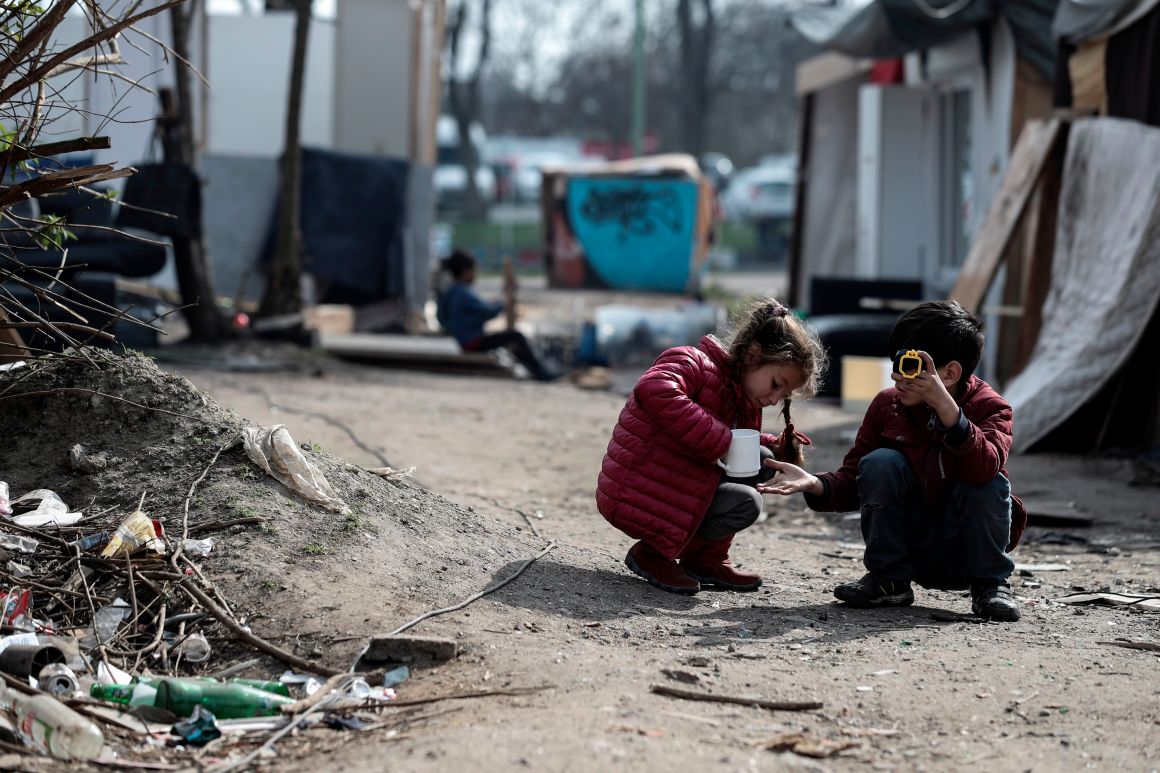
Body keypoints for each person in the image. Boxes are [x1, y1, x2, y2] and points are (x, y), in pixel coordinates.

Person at [762, 300, 1026, 622]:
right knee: (880, 462)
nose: (897, 377)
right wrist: (815, 483)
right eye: (896, 365)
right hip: (912, 549)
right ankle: (889, 581)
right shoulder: (888, 406)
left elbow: (984, 466)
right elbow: (855, 477)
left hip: (965, 551)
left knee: (992, 479)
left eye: (910, 367)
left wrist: (949, 413)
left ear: (950, 372)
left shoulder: (991, 408)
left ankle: (991, 585)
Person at [596, 299, 826, 595]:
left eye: (784, 394)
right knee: (752, 459)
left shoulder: (745, 400)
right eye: (775, 384)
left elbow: (727, 437)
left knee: (759, 470)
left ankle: (705, 560)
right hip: (635, 490)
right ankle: (652, 553)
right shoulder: (692, 362)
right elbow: (652, 389)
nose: (774, 399)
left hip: (675, 487)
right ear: (753, 355)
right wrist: (725, 442)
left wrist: (776, 445)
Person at [435, 249, 559, 382]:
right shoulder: (464, 293)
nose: (476, 274)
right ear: (466, 271)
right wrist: (505, 301)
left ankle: (534, 370)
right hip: (473, 343)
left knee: (508, 338)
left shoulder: (451, 292)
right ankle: (540, 373)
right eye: (474, 270)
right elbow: (489, 312)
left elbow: (440, 316)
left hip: (463, 341)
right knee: (516, 337)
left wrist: (453, 328)